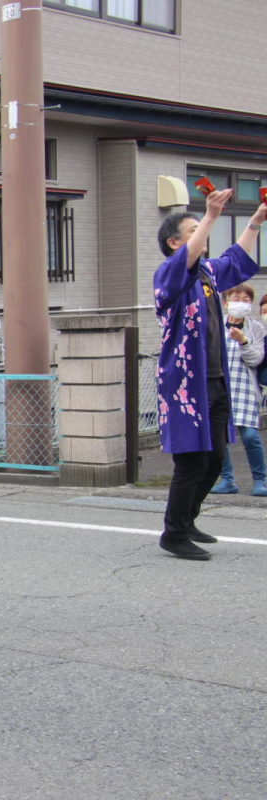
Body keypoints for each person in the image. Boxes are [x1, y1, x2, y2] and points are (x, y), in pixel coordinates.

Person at [153, 189, 267, 560]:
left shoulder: (207, 273)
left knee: (216, 459)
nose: (202, 233)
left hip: (214, 380)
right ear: (174, 243)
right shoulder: (169, 274)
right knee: (192, 461)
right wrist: (211, 215)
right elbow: (186, 261)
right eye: (193, 230)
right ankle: (173, 533)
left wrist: (255, 222)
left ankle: (186, 520)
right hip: (185, 386)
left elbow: (235, 258)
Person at [209, 284, 267, 496]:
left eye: (245, 300)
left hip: (244, 387)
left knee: (250, 436)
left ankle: (260, 480)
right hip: (219, 388)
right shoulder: (215, 325)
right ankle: (227, 479)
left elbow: (256, 359)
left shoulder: (256, 328)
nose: (240, 303)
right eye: (236, 299)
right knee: (220, 438)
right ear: (225, 303)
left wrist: (244, 341)